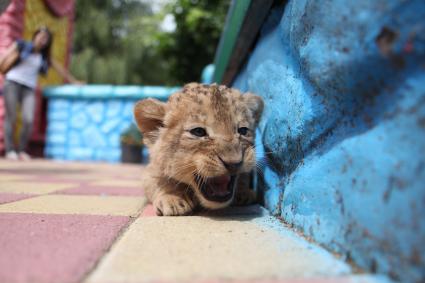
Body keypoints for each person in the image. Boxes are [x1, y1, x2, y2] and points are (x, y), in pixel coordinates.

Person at [0, 27, 82, 161]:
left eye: (46, 39)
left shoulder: (44, 56)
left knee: (28, 119)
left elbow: (60, 69)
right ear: (35, 36)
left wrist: (73, 81)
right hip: (12, 82)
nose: (42, 40)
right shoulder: (21, 45)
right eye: (40, 36)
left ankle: (21, 150)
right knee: (12, 117)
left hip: (29, 88)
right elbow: (5, 56)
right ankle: (10, 150)